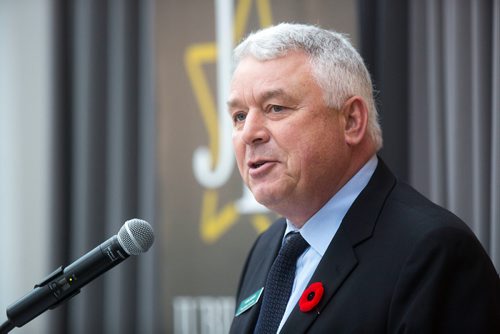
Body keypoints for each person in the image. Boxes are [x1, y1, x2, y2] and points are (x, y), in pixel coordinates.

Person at [227, 23, 500, 333]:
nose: (249, 133)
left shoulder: (434, 252)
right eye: (239, 116)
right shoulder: (267, 248)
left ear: (351, 121)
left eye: (276, 108)